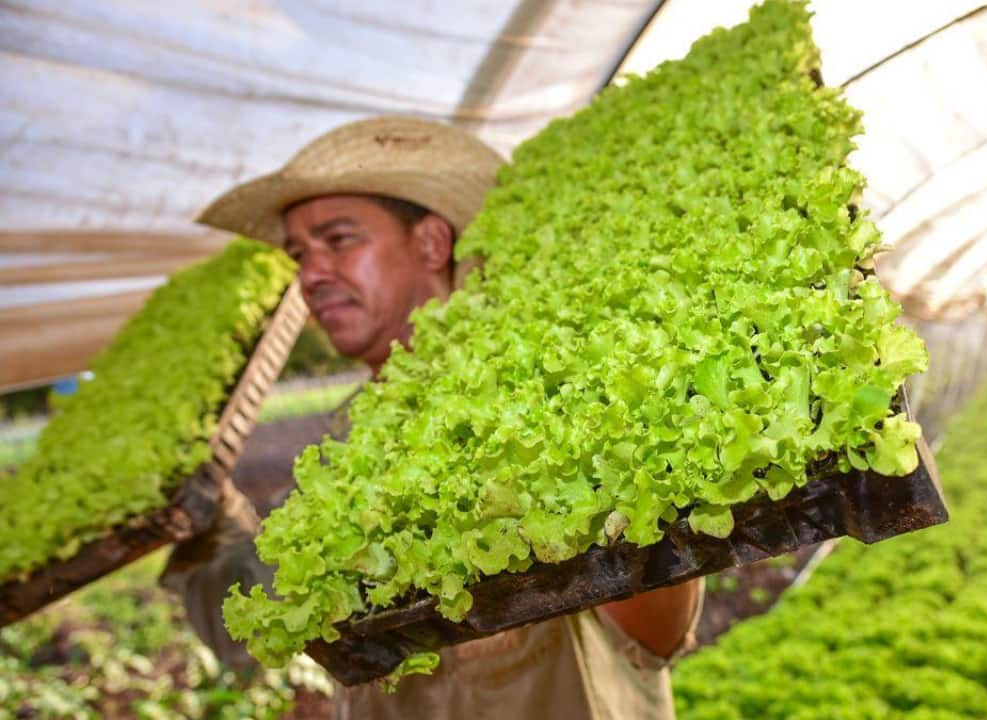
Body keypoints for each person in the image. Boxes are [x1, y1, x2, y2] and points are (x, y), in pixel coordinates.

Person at [167, 116, 703, 719]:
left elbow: (653, 635)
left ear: (430, 243)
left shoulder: (538, 405)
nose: (311, 274)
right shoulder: (348, 451)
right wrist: (214, 516)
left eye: (338, 240)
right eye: (300, 254)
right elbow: (266, 626)